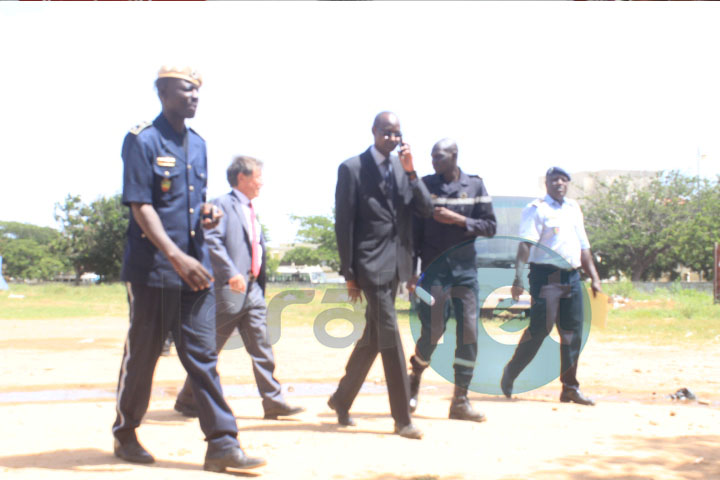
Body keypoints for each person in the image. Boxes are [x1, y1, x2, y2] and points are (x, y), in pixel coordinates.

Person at [112, 66, 265, 473]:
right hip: (153, 270)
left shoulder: (197, 145)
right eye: (186, 89)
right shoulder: (142, 139)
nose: (194, 96)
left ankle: (222, 444)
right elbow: (141, 205)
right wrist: (175, 256)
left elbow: (192, 205)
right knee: (143, 356)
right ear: (163, 91)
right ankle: (126, 433)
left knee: (202, 356)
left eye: (198, 90)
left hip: (194, 272)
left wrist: (208, 215)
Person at [173, 155, 305, 420]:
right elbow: (212, 240)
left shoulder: (252, 210)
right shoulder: (220, 205)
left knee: (262, 346)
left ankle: (273, 401)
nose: (261, 183)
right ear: (242, 178)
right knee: (210, 347)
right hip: (228, 290)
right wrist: (231, 272)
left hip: (253, 289)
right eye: (257, 177)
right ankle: (188, 399)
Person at [328, 111, 433, 440]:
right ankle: (402, 418)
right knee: (390, 338)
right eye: (386, 132)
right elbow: (344, 223)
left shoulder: (404, 173)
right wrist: (349, 272)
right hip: (368, 264)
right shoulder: (352, 169)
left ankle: (341, 399)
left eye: (396, 133)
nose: (391, 138)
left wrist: (412, 171)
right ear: (374, 132)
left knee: (373, 338)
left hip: (397, 266)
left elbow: (426, 209)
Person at [406, 138, 497, 422]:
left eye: (440, 157)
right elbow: (412, 233)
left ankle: (460, 400)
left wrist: (458, 220)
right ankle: (415, 377)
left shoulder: (475, 186)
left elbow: (490, 227)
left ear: (454, 156)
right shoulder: (425, 186)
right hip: (433, 270)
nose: (434, 162)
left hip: (465, 271)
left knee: (469, 332)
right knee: (432, 331)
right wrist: (411, 271)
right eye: (432, 157)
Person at [500, 167, 601, 406]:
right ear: (546, 183)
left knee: (572, 334)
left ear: (568, 184)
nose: (559, 183)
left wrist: (594, 276)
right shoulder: (536, 210)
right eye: (554, 179)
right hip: (545, 278)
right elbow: (525, 245)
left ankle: (570, 388)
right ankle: (511, 373)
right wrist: (518, 278)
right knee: (539, 331)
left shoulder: (573, 208)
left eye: (563, 180)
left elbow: (583, 246)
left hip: (572, 278)